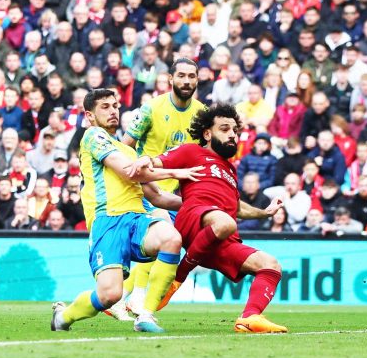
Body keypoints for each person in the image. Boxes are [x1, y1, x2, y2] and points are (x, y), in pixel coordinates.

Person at [51, 89, 202, 333]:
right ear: (89, 115)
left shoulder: (130, 151)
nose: (113, 111)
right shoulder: (92, 136)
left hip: (136, 220)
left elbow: (157, 196)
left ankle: (146, 314)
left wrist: (197, 204)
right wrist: (177, 172)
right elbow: (129, 171)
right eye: (105, 107)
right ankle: (63, 316)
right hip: (107, 222)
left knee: (171, 238)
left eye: (115, 106)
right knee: (110, 295)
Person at [135, 103, 287, 333]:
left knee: (271, 265)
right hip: (195, 217)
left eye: (235, 131)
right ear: (207, 133)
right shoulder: (191, 152)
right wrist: (143, 161)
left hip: (219, 236)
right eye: (224, 129)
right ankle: (180, 275)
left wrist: (264, 212)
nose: (232, 135)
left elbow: (235, 207)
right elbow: (150, 166)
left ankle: (249, 317)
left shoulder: (230, 169)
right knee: (225, 222)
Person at [112, 58, 205, 318]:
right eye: (182, 76)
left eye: (192, 76)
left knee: (166, 245)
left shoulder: (201, 113)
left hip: (172, 193)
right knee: (163, 233)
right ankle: (138, 299)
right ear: (170, 79)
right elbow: (126, 144)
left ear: (197, 80)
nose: (186, 81)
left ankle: (120, 297)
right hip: (144, 188)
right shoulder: (151, 108)